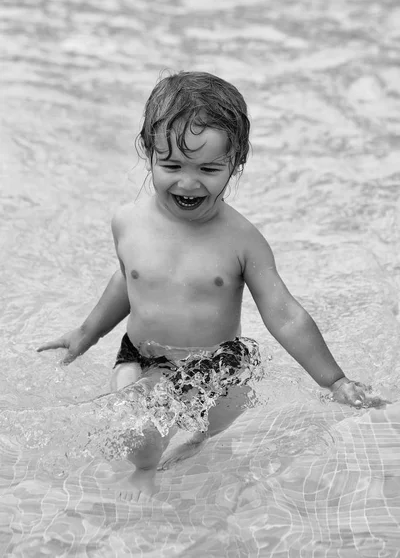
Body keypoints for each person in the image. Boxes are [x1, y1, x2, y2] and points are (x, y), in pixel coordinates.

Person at [38, 71, 377, 502]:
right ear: (148, 152)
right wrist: (85, 334)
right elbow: (128, 278)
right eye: (172, 165)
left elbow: (284, 313)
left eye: (209, 168)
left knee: (207, 426)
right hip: (143, 358)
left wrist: (335, 381)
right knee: (138, 436)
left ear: (236, 163)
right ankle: (144, 477)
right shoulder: (127, 222)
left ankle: (197, 438)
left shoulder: (241, 240)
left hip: (217, 367)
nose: (188, 182)